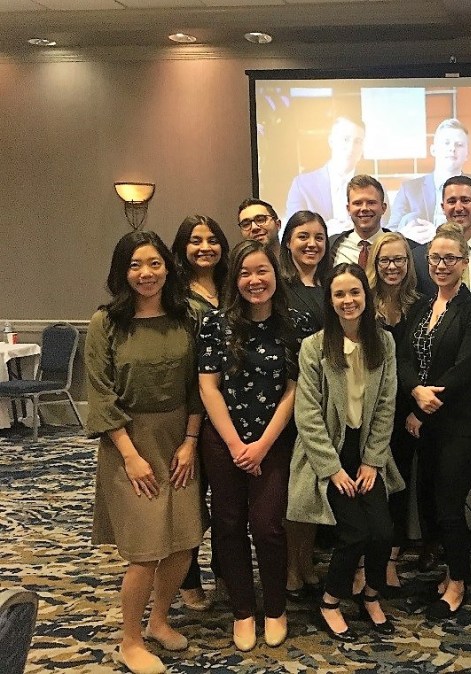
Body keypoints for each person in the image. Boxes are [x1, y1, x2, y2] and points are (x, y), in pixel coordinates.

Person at [86, 231, 205, 674]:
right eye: (136, 265)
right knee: (145, 549)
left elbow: (198, 384)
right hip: (128, 442)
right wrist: (130, 454)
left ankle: (159, 621)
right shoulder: (106, 322)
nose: (146, 273)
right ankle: (130, 639)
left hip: (180, 439)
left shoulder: (186, 317)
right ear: (122, 271)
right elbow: (99, 392)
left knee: (182, 542)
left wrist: (191, 442)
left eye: (154, 263)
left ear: (168, 268)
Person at [198, 239, 313, 652]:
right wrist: (234, 444)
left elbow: (295, 389)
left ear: (275, 275)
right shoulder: (215, 323)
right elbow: (208, 387)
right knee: (228, 524)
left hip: (274, 440)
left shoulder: (294, 323)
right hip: (223, 440)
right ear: (235, 279)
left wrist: (262, 445)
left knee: (268, 526)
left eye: (261, 271)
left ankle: (275, 610)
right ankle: (243, 612)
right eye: (245, 273)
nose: (254, 280)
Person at [288, 262, 403, 641]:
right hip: (330, 452)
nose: (348, 300)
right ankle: (331, 600)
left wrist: (373, 459)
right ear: (330, 300)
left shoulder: (382, 341)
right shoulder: (314, 347)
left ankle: (370, 595)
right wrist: (331, 469)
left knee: (383, 532)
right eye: (339, 294)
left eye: (355, 292)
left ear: (366, 298)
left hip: (366, 450)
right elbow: (306, 414)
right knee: (353, 533)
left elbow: (386, 404)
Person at [397, 223, 471, 619]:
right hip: (426, 422)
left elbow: (466, 366)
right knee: (432, 500)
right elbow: (401, 357)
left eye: (450, 258)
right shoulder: (419, 306)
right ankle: (449, 570)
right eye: (435, 257)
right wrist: (415, 392)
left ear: (465, 262)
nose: (441, 264)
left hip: (462, 423)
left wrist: (425, 402)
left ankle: (458, 581)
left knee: (451, 505)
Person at [170, 215, 231, 611]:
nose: (205, 247)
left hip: (234, 411)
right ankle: (188, 580)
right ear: (182, 247)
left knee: (228, 504)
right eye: (195, 240)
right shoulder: (174, 295)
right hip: (190, 410)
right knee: (191, 500)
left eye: (212, 239)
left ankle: (227, 572)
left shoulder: (234, 287)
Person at [278, 210, 331, 597]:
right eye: (302, 236)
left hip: (327, 397)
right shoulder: (279, 287)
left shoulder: (332, 284)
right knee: (290, 489)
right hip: (289, 395)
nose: (311, 244)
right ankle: (290, 567)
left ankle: (307, 560)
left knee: (313, 484)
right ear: (288, 242)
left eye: (318, 236)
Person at [366, 232, 420, 589]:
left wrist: (418, 409)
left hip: (407, 411)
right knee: (367, 484)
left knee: (398, 484)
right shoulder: (362, 302)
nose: (392, 267)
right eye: (385, 260)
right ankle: (363, 558)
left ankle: (390, 559)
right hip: (368, 407)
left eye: (399, 259)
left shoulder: (422, 306)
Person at [388, 118, 471, 242]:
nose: (452, 148)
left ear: (467, 154)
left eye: (459, 145)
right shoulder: (409, 189)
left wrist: (436, 233)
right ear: (433, 150)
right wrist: (403, 236)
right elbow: (391, 231)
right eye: (446, 143)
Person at [285, 116, 366, 235]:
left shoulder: (374, 188)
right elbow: (293, 232)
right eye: (345, 139)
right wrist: (326, 230)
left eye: (358, 141)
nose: (351, 147)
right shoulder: (302, 185)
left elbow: (383, 230)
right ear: (331, 141)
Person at [330, 174, 393, 267]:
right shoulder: (332, 246)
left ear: (383, 208)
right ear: (348, 209)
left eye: (371, 202)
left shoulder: (401, 247)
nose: (364, 208)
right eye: (357, 203)